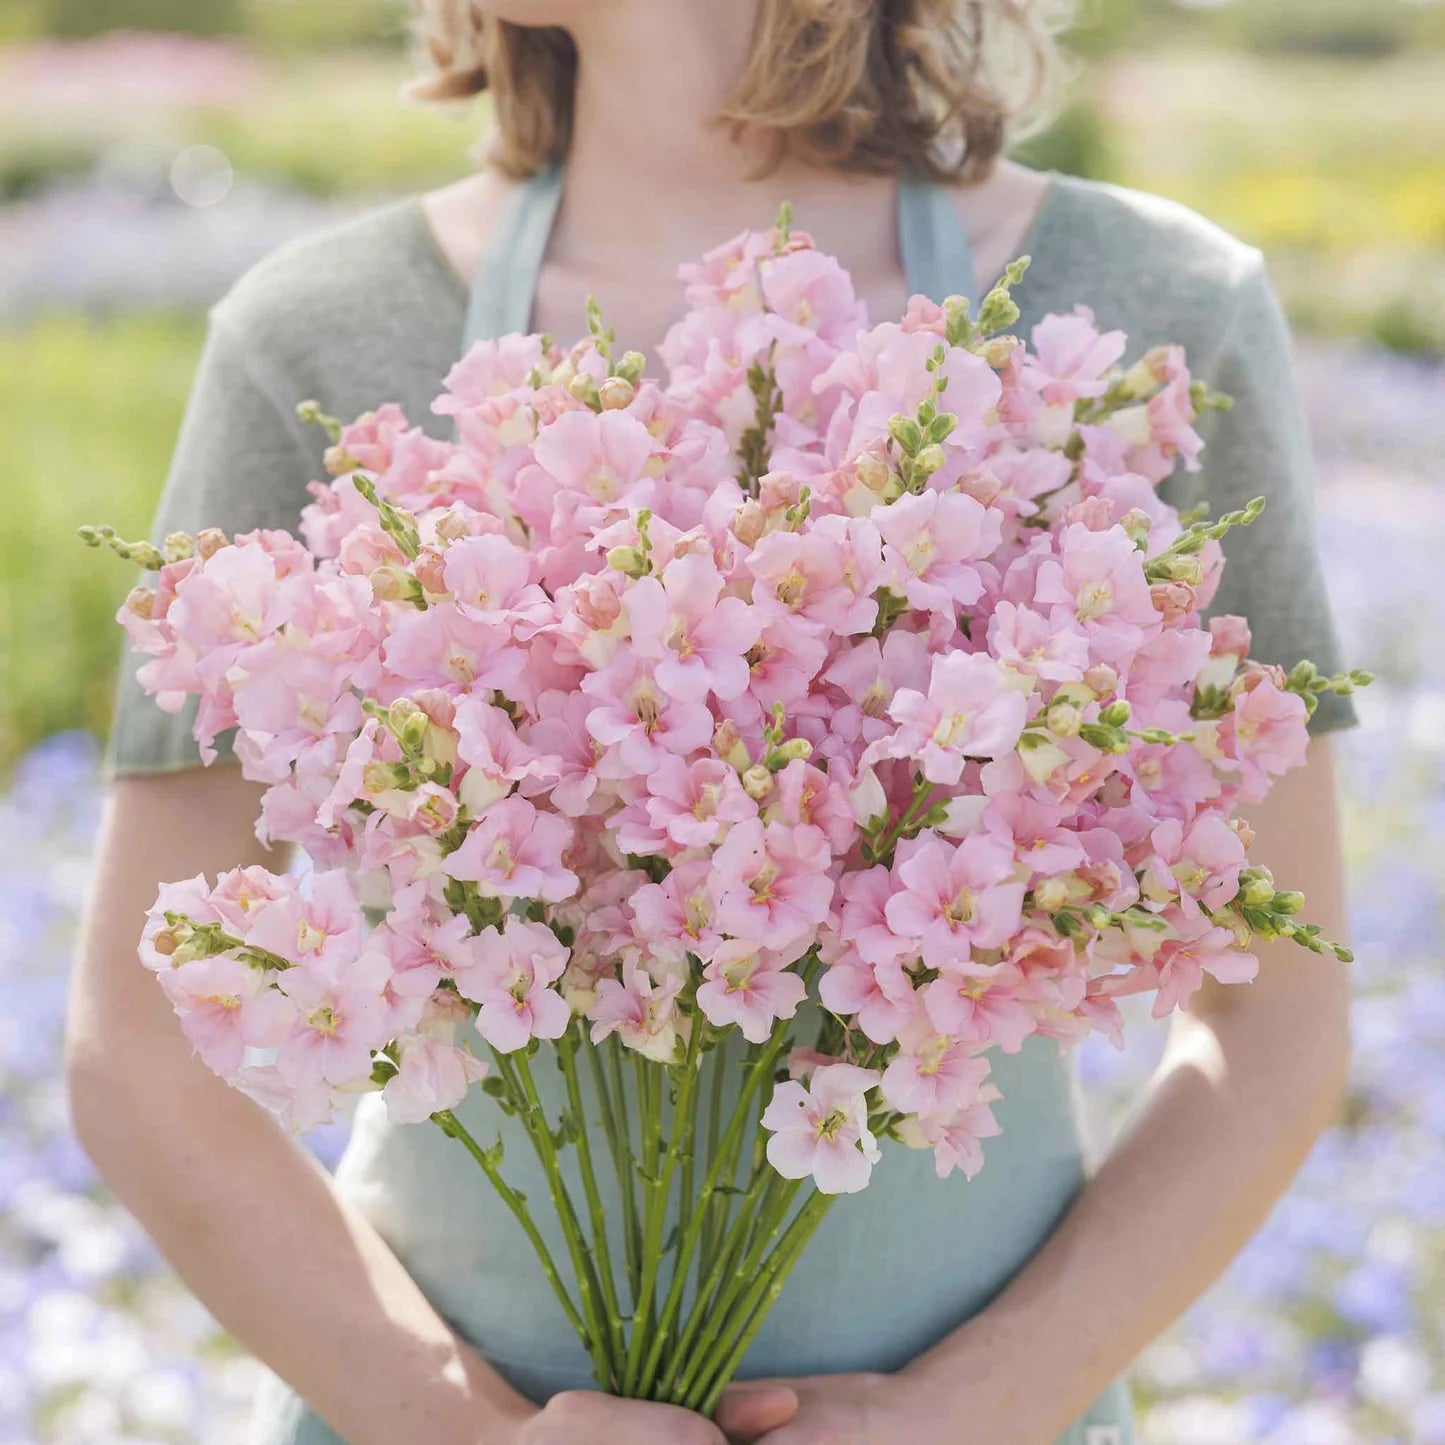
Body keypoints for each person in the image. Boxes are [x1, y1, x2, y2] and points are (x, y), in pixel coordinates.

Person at [65, 3, 1358, 1442]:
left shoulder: (1152, 314)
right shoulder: (319, 333)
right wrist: (465, 1427)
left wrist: (969, 1409)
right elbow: (142, 1044)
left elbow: (1275, 1017)